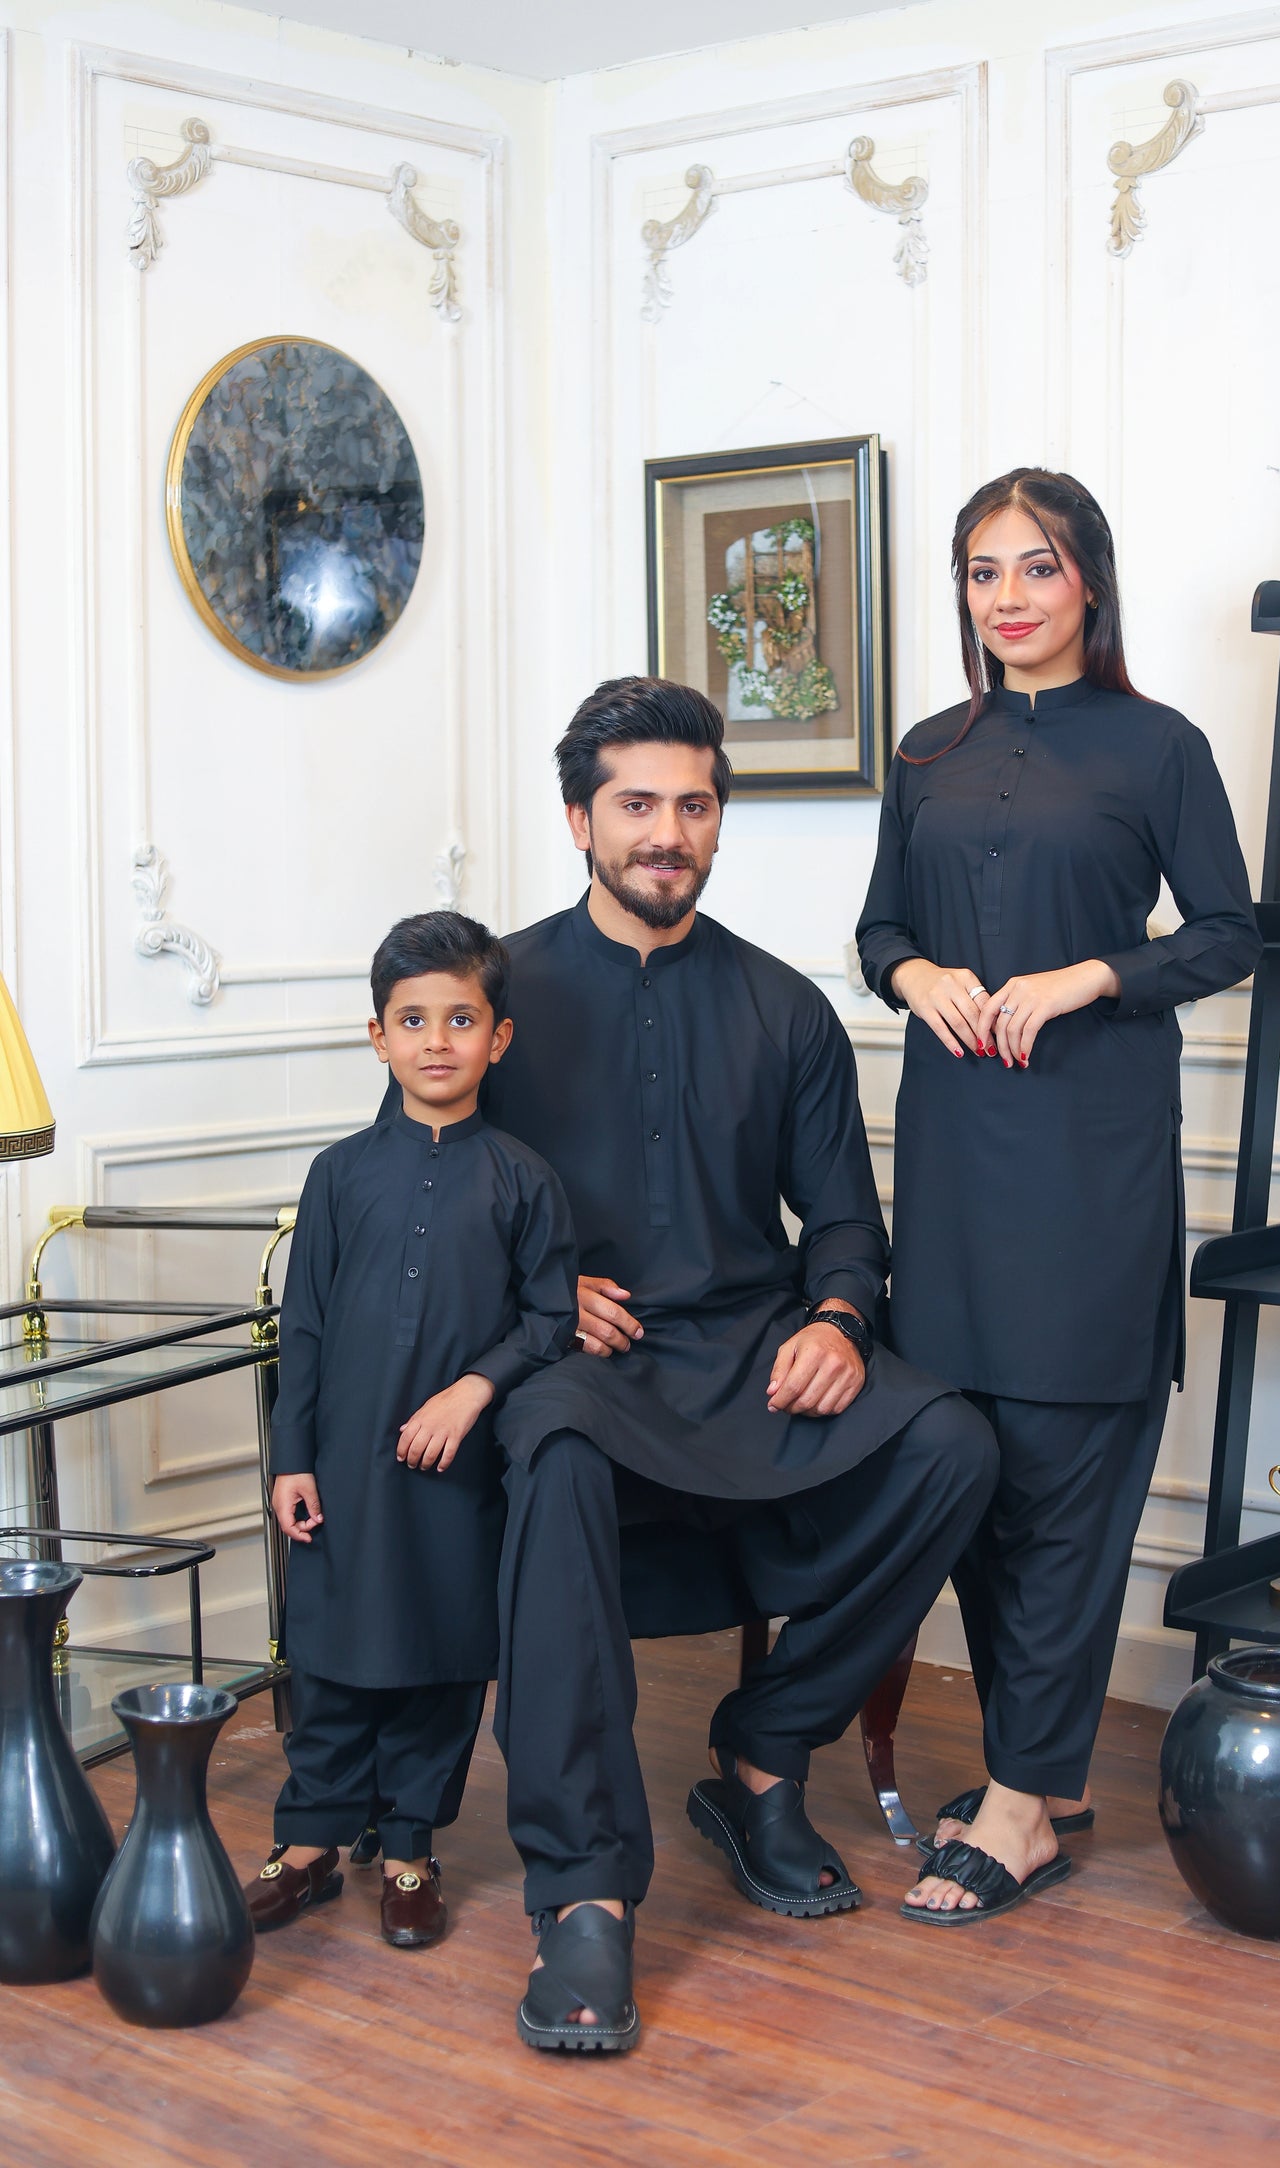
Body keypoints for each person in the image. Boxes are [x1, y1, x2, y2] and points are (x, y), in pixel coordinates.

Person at [475, 676, 1000, 2053]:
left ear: (719, 821)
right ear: (579, 820)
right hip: (582, 1361)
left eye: (693, 805)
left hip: (750, 1351)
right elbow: (431, 1194)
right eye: (636, 804)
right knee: (555, 1444)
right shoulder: (495, 997)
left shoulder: (783, 1006)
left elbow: (844, 1223)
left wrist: (835, 1318)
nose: (668, 832)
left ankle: (764, 1749)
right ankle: (584, 1890)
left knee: (950, 1444)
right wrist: (540, 1294)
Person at [856, 468, 1261, 1925]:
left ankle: (1022, 1804)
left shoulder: (1159, 746)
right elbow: (877, 927)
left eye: (1036, 566)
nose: (1008, 596)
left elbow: (1228, 933)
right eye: (983, 571)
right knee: (967, 1456)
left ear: (1088, 576)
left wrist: (1092, 974)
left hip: (1092, 1156)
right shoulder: (925, 749)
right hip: (953, 1156)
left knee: (1072, 1461)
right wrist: (917, 973)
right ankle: (1042, 1768)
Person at [243, 911, 577, 1950]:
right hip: (343, 1464)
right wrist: (292, 1458)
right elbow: (302, 1327)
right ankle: (307, 1843)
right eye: (413, 1019)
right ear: (378, 1036)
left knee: (440, 1651)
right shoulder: (338, 1174)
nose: (437, 1040)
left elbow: (551, 1319)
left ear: (498, 1038)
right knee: (332, 1649)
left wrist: (473, 1389)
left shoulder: (524, 1178)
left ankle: (408, 1848)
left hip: (455, 1473)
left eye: (461, 1019)